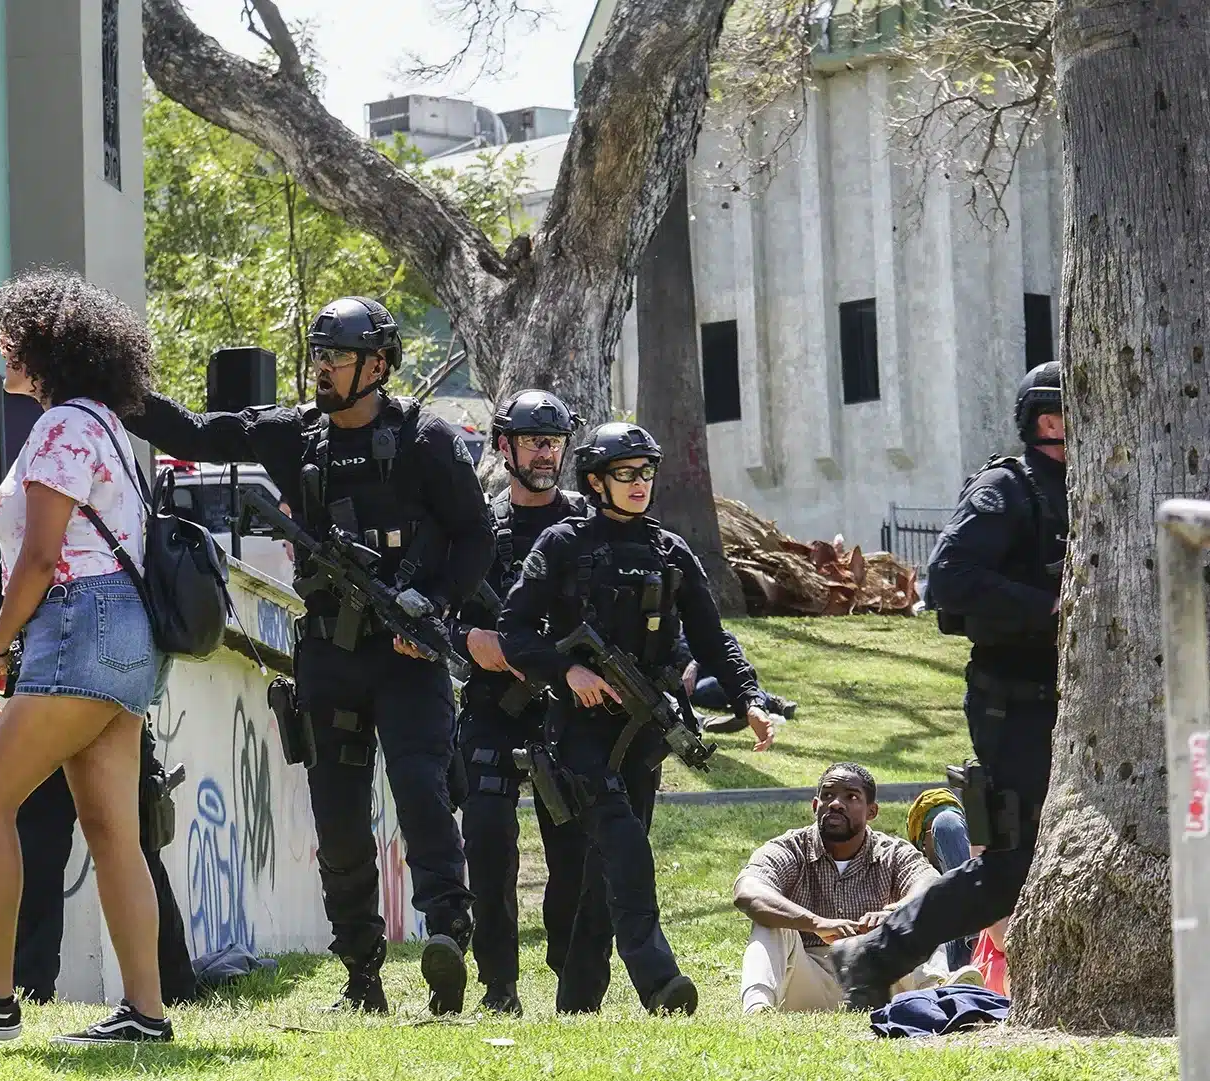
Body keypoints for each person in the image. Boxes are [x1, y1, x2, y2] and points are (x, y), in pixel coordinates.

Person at [123, 297, 490, 1015]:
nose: (322, 368)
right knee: (339, 821)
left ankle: (448, 932)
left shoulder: (426, 439)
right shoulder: (293, 434)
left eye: (338, 356)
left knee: (422, 791)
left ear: (377, 366)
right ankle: (361, 975)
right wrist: (109, 386)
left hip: (408, 656)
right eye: (318, 354)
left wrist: (434, 604)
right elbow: (192, 432)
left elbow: (476, 537)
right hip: (328, 654)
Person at [0, 269, 171, 1047]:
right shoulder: (106, 425)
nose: (2, 345)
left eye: (12, 335)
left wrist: (1, 644)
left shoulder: (58, 429)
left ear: (48, 347)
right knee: (113, 829)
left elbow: (41, 557)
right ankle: (145, 1012)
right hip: (128, 633)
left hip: (78, 623)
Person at [499, 422, 777, 1015]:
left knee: (606, 872)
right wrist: (567, 673)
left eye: (646, 473)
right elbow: (514, 630)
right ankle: (659, 982)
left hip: (645, 732)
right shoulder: (562, 543)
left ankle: (577, 1002)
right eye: (625, 473)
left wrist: (749, 698)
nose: (638, 484)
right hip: (578, 730)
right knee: (625, 845)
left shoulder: (670, 551)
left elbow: (713, 638)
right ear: (596, 481)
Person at [834, 362, 1067, 1009]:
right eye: (1064, 414)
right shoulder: (1007, 488)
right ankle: (871, 954)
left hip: (1072, 703)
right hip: (1012, 703)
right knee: (1009, 867)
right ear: (1042, 420)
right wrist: (1050, 605)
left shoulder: (1096, 486)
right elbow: (949, 578)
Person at [0, 571, 199, 1007]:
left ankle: (172, 991)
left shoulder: (80, 554)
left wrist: (0, 651)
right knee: (43, 850)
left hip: (76, 697)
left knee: (133, 846)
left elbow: (37, 565)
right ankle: (32, 987)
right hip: (49, 705)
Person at [450, 389, 593, 1016]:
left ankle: (570, 976)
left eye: (554, 442)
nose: (545, 454)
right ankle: (498, 983)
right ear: (504, 446)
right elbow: (439, 611)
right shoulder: (479, 529)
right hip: (493, 707)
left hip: (568, 708)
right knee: (486, 841)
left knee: (573, 851)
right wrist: (469, 640)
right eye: (534, 442)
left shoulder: (587, 525)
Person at [733, 763, 947, 1013]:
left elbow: (930, 883)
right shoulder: (791, 848)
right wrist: (816, 923)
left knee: (920, 915)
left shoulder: (892, 852)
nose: (836, 804)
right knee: (769, 920)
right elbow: (748, 890)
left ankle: (940, 994)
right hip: (809, 980)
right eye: (827, 795)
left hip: (881, 975)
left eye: (851, 797)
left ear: (872, 811)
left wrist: (893, 913)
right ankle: (757, 1010)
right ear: (815, 806)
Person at [905, 787, 973, 971]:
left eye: (961, 827)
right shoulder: (913, 876)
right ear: (921, 843)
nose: (955, 834)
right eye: (934, 830)